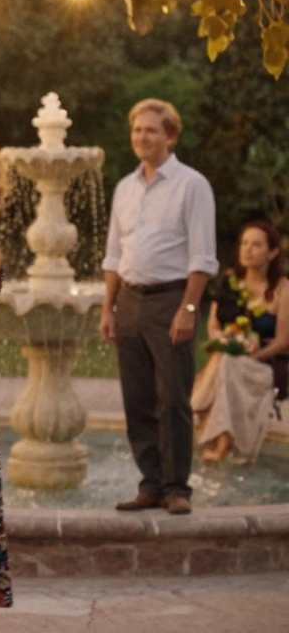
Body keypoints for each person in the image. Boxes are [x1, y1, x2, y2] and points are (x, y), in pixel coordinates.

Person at [99, 98, 218, 516]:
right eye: (137, 130)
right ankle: (149, 484)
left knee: (173, 400)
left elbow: (202, 257)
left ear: (170, 135)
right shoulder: (125, 188)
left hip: (171, 299)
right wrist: (107, 309)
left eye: (151, 130)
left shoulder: (192, 185)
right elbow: (114, 253)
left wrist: (187, 310)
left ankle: (176, 488)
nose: (142, 137)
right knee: (137, 400)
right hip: (128, 300)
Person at [190, 221, 289, 463]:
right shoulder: (230, 281)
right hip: (227, 357)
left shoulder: (282, 289)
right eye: (244, 243)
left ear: (272, 252)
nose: (248, 250)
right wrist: (223, 341)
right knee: (226, 362)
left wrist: (248, 355)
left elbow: (283, 341)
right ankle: (221, 437)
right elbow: (213, 325)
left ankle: (218, 439)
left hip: (263, 363)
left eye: (256, 245)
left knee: (228, 364)